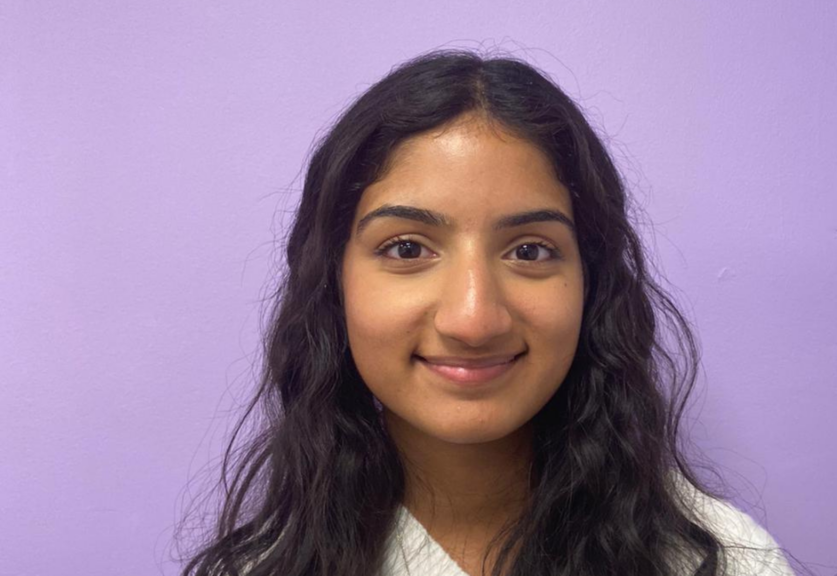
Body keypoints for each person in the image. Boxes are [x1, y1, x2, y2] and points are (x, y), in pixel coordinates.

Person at [180, 48, 796, 576]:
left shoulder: (718, 561)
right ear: (332, 283)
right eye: (407, 249)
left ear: (593, 285)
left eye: (530, 251)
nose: (473, 320)